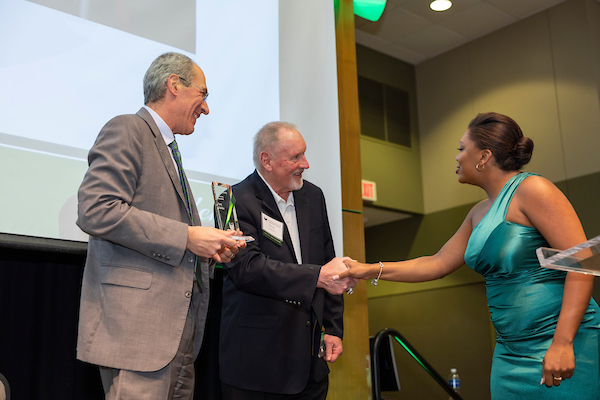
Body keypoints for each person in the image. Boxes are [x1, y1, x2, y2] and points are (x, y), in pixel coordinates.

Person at [336, 112, 600, 399]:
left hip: (562, 342)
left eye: (462, 149)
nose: (457, 157)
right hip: (509, 351)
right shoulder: (478, 213)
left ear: (484, 156)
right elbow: (436, 263)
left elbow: (583, 262)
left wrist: (562, 343)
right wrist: (366, 269)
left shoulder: (533, 190)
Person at [76, 52, 245, 399]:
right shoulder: (127, 128)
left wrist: (210, 249)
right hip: (137, 332)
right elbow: (96, 209)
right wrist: (187, 236)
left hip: (178, 332)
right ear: (174, 85)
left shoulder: (168, 147)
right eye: (203, 95)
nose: (207, 109)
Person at [218, 121, 356, 399]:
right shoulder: (232, 199)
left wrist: (333, 328)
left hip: (310, 367)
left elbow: (329, 263)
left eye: (303, 154)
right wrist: (316, 277)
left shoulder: (313, 197)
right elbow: (247, 268)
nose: (305, 164)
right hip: (257, 367)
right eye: (295, 157)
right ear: (266, 160)